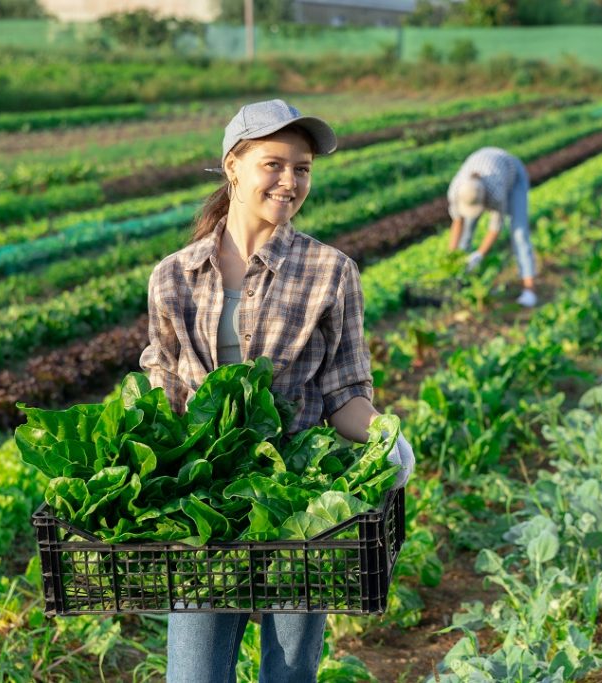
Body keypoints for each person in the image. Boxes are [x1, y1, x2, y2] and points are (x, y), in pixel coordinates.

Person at [139, 99, 415, 683]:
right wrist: (129, 448)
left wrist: (384, 437)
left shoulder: (330, 271)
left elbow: (344, 392)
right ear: (232, 166)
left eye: (303, 168)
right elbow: (164, 393)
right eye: (274, 164)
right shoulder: (173, 275)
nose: (290, 181)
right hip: (205, 509)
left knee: (288, 675)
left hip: (296, 507)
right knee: (193, 676)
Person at [447, 147, 537, 307]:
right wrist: (452, 257)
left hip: (513, 175)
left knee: (519, 233)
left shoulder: (496, 192)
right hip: (486, 164)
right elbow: (457, 222)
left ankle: (529, 289)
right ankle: (461, 283)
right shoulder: (457, 190)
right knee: (466, 236)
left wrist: (480, 254)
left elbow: (495, 228)